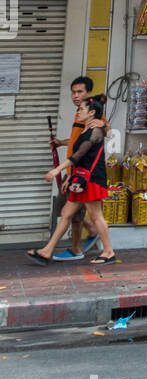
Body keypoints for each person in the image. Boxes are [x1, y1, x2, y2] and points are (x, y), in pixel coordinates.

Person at [27, 96, 116, 265]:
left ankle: (108, 252)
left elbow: (78, 156)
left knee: (96, 216)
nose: (78, 112)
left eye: (81, 109)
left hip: (91, 180)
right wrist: (70, 177)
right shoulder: (84, 130)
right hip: (81, 180)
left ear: (91, 113)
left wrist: (57, 170)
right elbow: (79, 159)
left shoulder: (95, 131)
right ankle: (46, 251)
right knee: (67, 214)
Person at [50, 77, 104, 260]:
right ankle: (89, 235)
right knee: (68, 211)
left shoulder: (91, 112)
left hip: (81, 173)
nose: (75, 95)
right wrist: (61, 143)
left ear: (88, 93)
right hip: (72, 171)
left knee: (72, 212)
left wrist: (105, 125)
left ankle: (77, 248)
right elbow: (78, 141)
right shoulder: (79, 113)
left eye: (80, 92)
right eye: (73, 92)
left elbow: (100, 133)